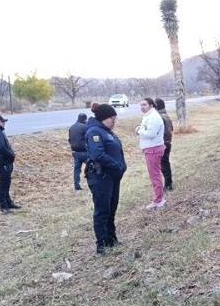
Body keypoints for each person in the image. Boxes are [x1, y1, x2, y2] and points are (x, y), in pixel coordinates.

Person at [85, 103, 127, 254]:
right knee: (102, 211)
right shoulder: (94, 132)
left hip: (112, 177)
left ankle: (111, 239)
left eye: (115, 118)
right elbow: (98, 154)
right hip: (101, 177)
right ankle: (102, 244)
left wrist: (121, 167)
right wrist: (117, 165)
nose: (114, 121)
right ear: (103, 118)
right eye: (112, 118)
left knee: (111, 209)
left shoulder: (107, 131)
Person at [136, 97, 166, 209]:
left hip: (153, 149)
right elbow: (148, 129)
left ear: (151, 105)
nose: (142, 107)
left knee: (155, 176)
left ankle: (159, 200)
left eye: (144, 104)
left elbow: (151, 133)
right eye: (141, 105)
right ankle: (159, 198)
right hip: (151, 148)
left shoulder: (153, 117)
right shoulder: (149, 116)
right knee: (155, 175)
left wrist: (138, 131)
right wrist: (141, 128)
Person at [0, 114, 20, 213]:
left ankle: (8, 202)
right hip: (3, 162)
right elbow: (1, 148)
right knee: (3, 183)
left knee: (6, 182)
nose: (4, 123)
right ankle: (4, 206)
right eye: (2, 121)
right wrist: (11, 155)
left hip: (4, 162)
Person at [154, 98, 174, 190]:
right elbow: (171, 129)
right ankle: (168, 183)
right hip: (168, 142)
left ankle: (168, 185)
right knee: (165, 163)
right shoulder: (166, 115)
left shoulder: (160, 117)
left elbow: (159, 132)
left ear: (156, 106)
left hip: (163, 143)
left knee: (164, 165)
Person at [68, 113, 89, 190]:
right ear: (85, 119)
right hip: (84, 152)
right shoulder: (85, 127)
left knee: (77, 169)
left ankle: (76, 185)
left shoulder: (72, 127)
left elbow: (69, 140)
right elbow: (89, 138)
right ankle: (90, 181)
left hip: (75, 152)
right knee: (91, 166)